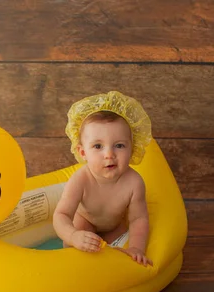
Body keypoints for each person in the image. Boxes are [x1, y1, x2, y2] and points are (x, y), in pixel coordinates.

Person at [53, 91, 153, 266]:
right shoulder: (80, 180)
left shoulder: (134, 182)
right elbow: (61, 215)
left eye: (119, 145)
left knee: (120, 254)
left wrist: (137, 248)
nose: (109, 154)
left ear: (132, 148)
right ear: (83, 152)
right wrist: (73, 235)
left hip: (115, 227)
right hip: (86, 222)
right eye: (98, 146)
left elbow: (138, 218)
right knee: (72, 245)